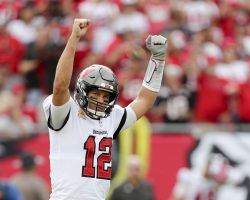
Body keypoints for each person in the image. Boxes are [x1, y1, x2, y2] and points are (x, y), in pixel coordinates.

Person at [42, 18, 167, 200]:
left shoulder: (111, 118)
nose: (101, 100)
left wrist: (158, 60)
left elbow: (145, 100)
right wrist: (74, 38)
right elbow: (60, 86)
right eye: (96, 94)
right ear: (83, 91)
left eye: (105, 96)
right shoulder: (66, 113)